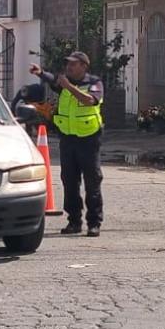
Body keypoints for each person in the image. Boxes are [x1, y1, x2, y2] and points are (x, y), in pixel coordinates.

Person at [29, 51, 104, 237]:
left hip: (88, 139)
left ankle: (94, 223)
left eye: (73, 64)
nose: (69, 67)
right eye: (68, 64)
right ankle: (74, 221)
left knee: (92, 182)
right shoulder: (63, 83)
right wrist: (40, 73)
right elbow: (51, 79)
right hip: (68, 139)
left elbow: (89, 101)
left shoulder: (94, 83)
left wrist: (68, 87)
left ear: (84, 66)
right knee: (69, 182)